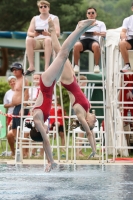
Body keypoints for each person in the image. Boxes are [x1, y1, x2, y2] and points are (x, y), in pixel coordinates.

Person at [25, 18, 95, 172]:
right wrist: (50, 161)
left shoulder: (37, 119)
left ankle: (80, 28)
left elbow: (46, 141)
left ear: (39, 130)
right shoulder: (40, 119)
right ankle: (65, 29)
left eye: (44, 131)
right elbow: (45, 141)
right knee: (62, 54)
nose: (47, 131)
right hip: (52, 83)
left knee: (63, 54)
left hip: (46, 83)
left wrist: (51, 161)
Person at [25, 0, 60, 75]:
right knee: (28, 40)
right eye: (41, 7)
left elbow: (57, 33)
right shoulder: (35, 18)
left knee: (47, 40)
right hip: (37, 40)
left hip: (48, 40)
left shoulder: (54, 18)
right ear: (39, 9)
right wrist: (34, 34)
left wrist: (48, 34)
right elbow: (29, 32)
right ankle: (31, 66)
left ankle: (46, 66)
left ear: (48, 8)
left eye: (45, 6)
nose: (43, 8)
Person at [73, 7, 106, 73]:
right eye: (89, 13)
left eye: (93, 13)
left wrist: (97, 33)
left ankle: (96, 65)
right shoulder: (81, 23)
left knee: (96, 46)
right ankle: (76, 65)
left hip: (94, 39)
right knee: (76, 45)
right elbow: (75, 33)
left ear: (96, 14)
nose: (91, 14)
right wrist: (83, 33)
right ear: (87, 15)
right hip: (83, 40)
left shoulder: (101, 23)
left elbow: (104, 33)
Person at [7, 63, 29, 158]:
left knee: (20, 131)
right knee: (15, 131)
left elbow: (26, 94)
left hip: (21, 106)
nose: (14, 71)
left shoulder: (24, 80)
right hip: (16, 107)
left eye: (16, 69)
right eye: (13, 70)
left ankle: (23, 152)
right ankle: (20, 151)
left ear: (21, 70)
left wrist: (23, 107)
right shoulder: (17, 80)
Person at [119, 3, 133, 73]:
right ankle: (127, 64)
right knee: (122, 43)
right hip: (131, 39)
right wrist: (123, 37)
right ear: (132, 9)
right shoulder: (127, 20)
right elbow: (123, 31)